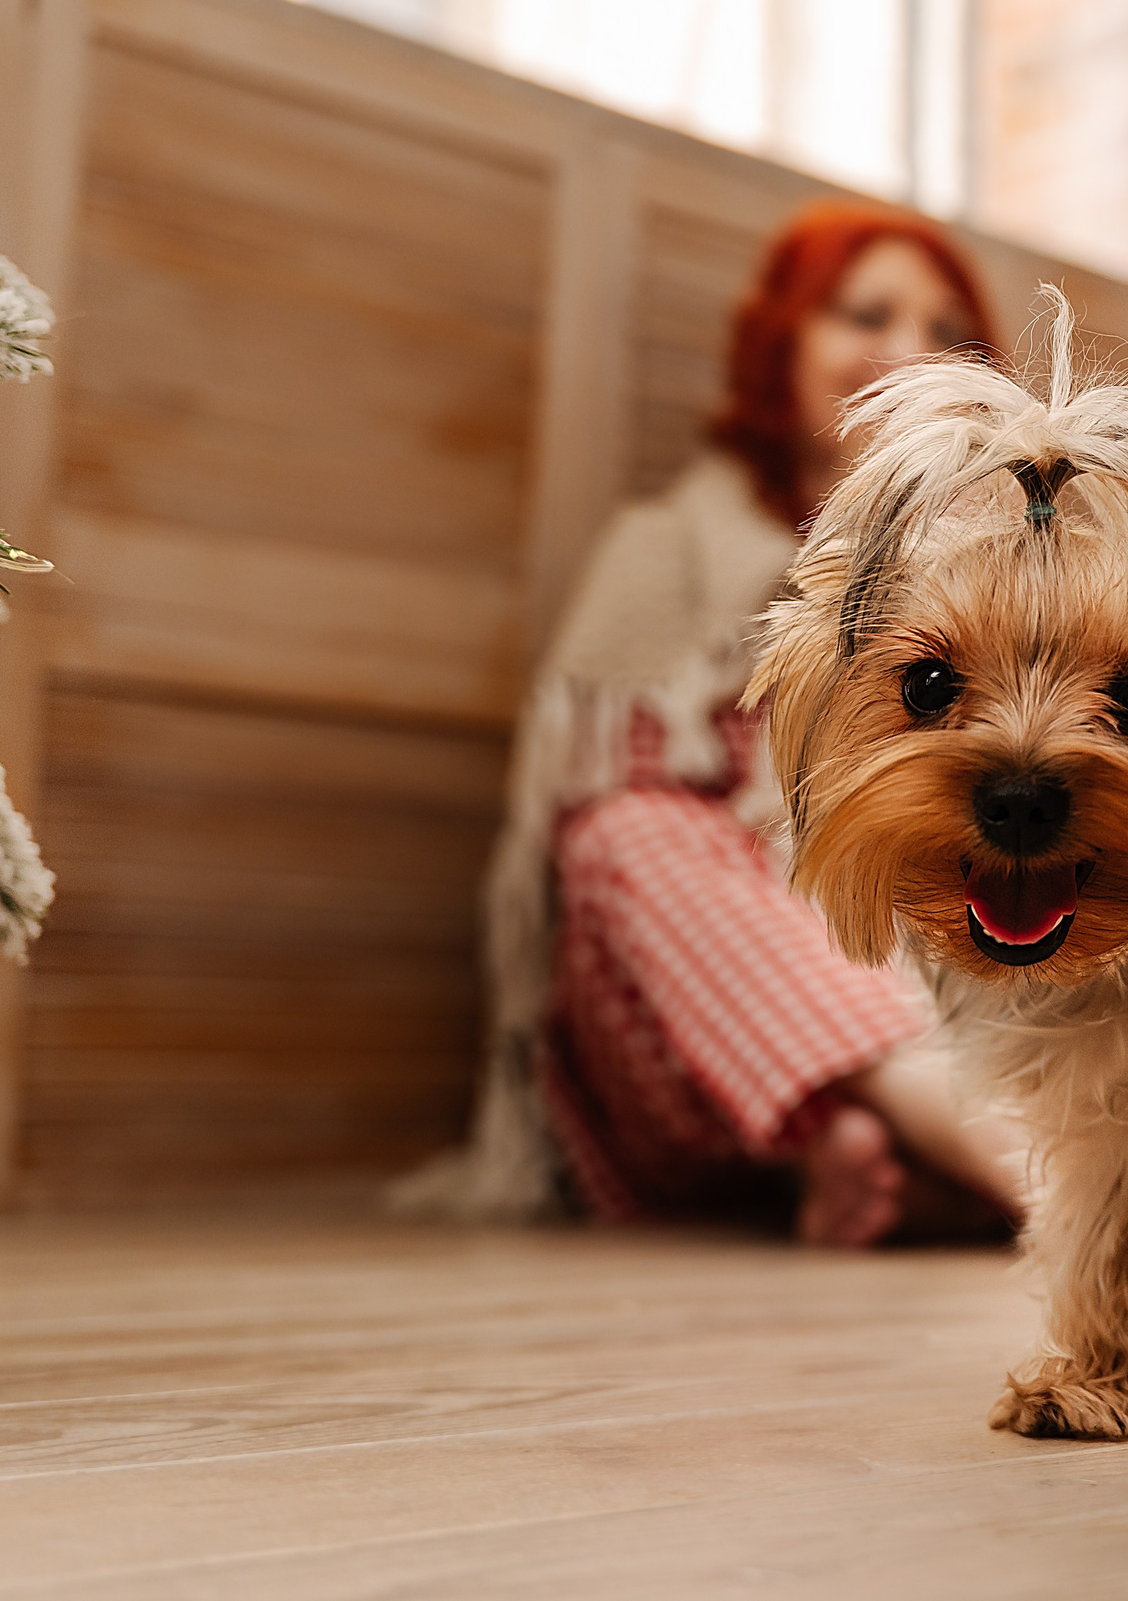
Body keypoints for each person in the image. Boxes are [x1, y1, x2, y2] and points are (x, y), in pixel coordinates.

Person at [397, 203, 1030, 1244]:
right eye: (865, 314)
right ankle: (977, 1135)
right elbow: (596, 864)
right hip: (673, 1044)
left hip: (938, 970)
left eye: (948, 333)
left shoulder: (1019, 566)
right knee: (623, 832)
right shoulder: (667, 549)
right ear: (781, 343)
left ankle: (865, 1160)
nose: (910, 353)